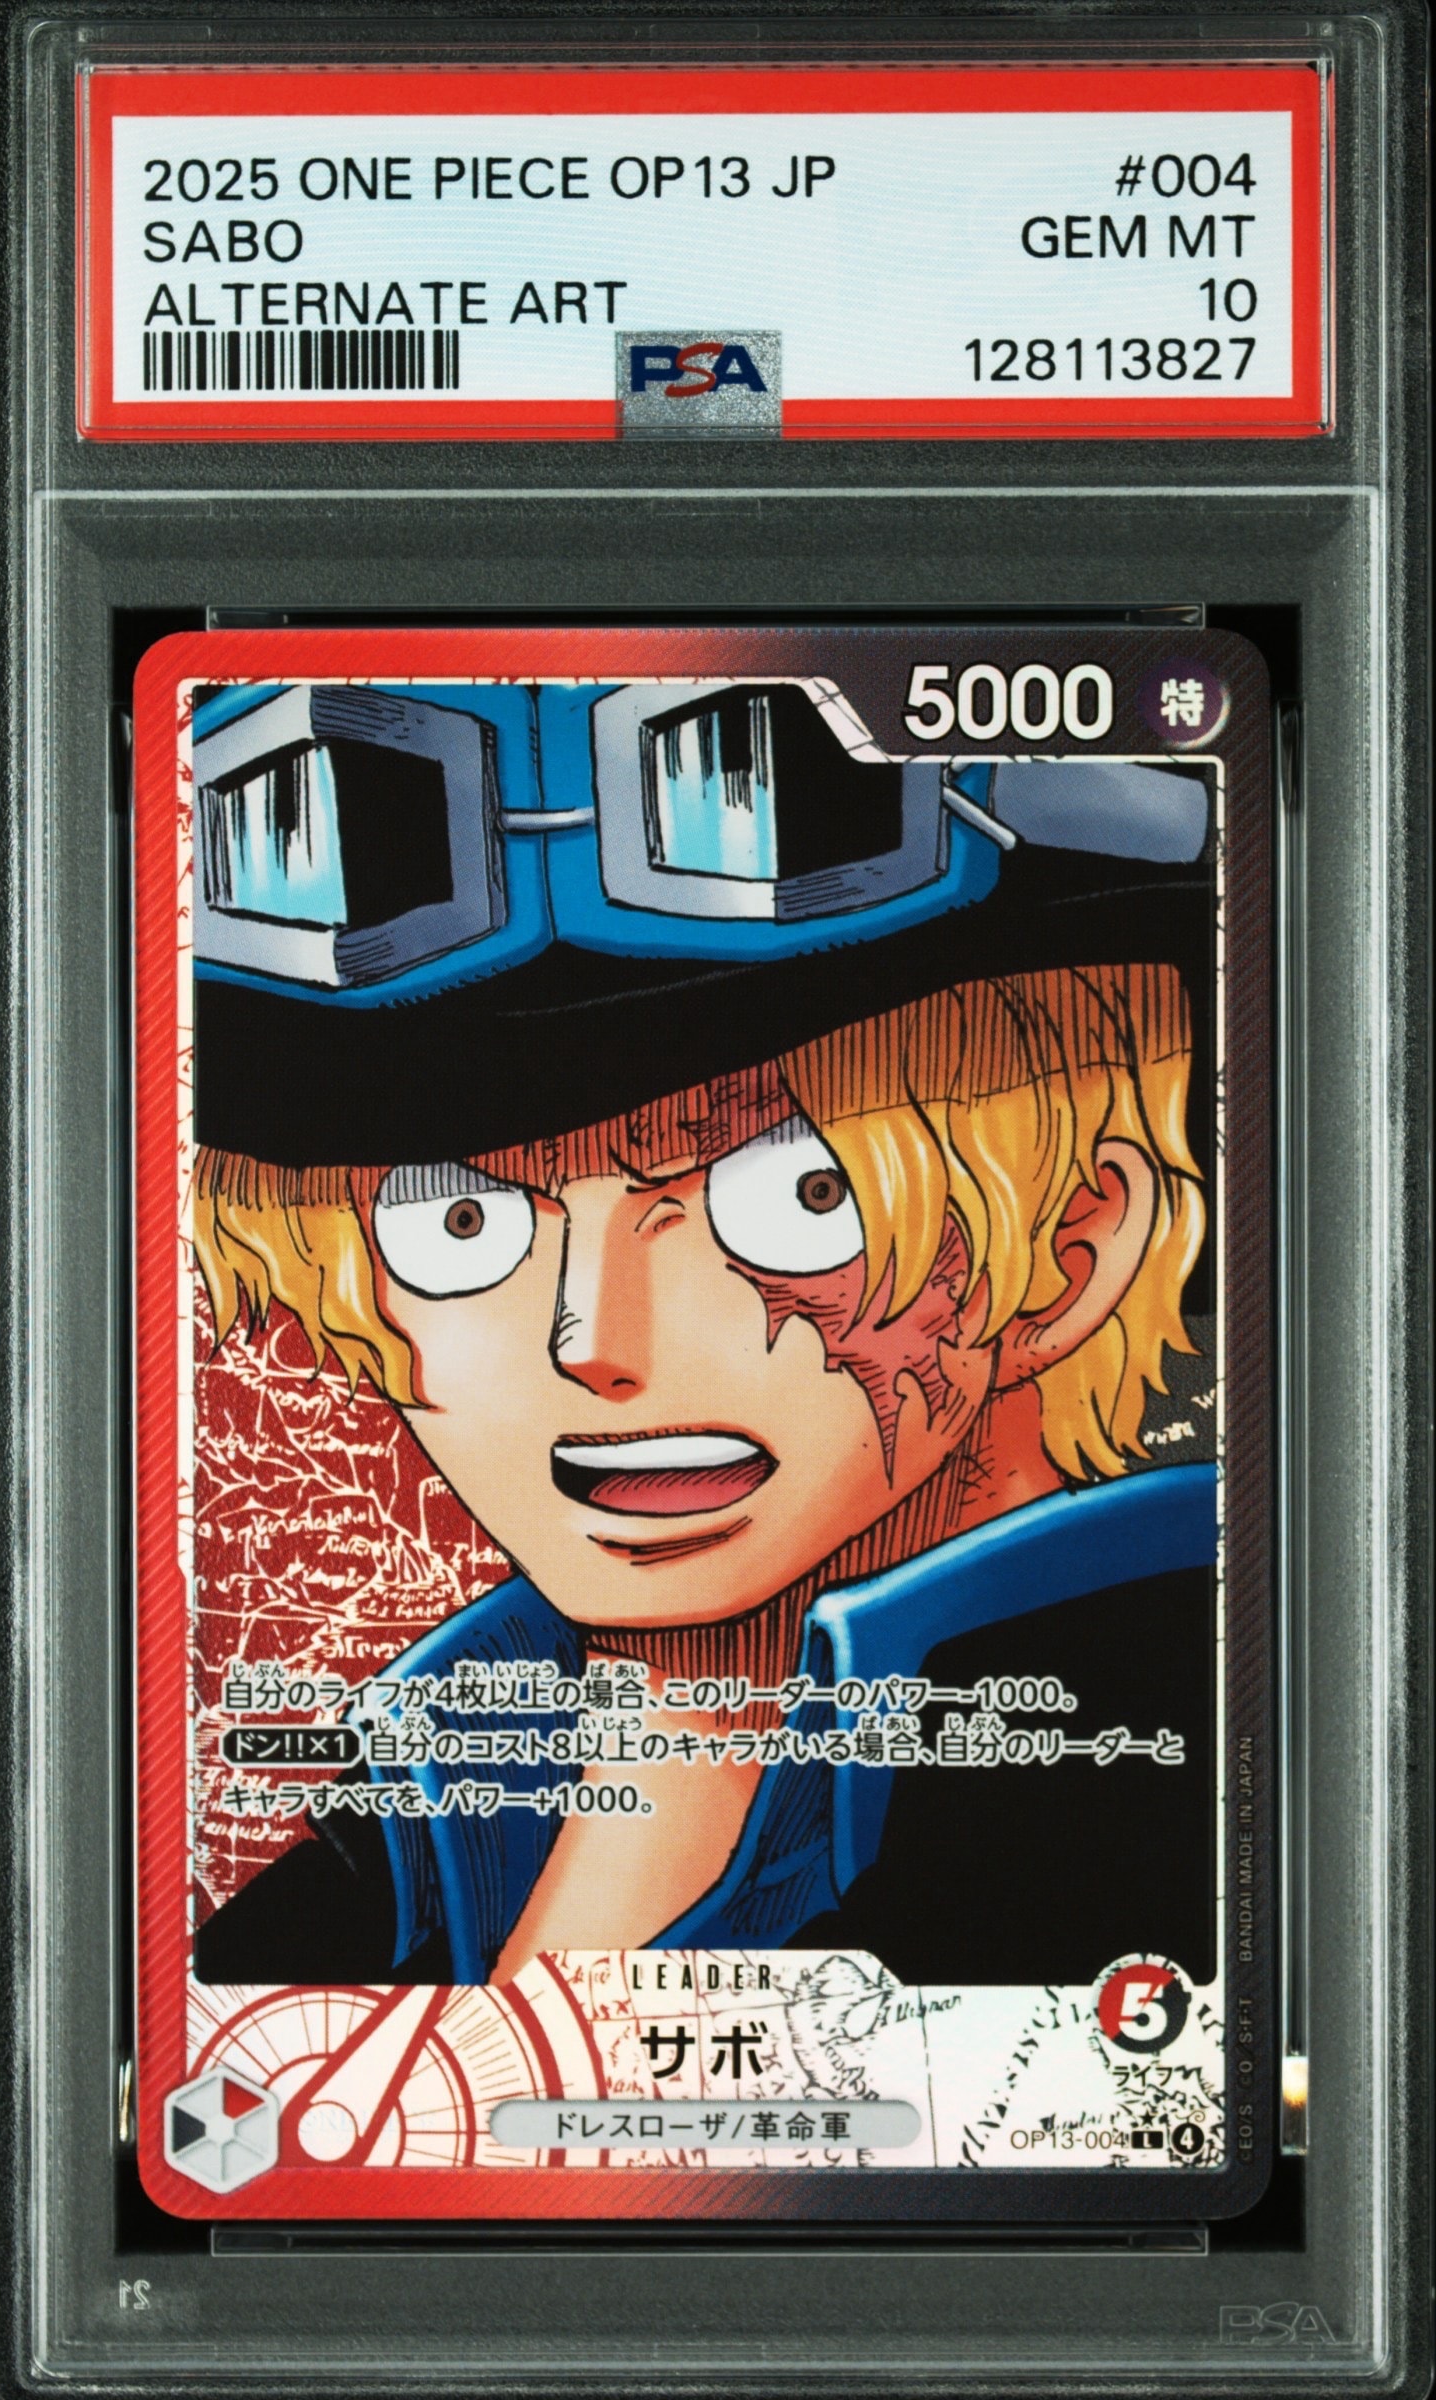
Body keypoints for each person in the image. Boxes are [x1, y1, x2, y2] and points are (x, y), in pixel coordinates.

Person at [188, 664, 1218, 1990]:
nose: (589, 1340)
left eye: (795, 1196)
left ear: (1073, 1249)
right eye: (459, 1225)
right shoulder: (376, 1856)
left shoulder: (1188, 1800)